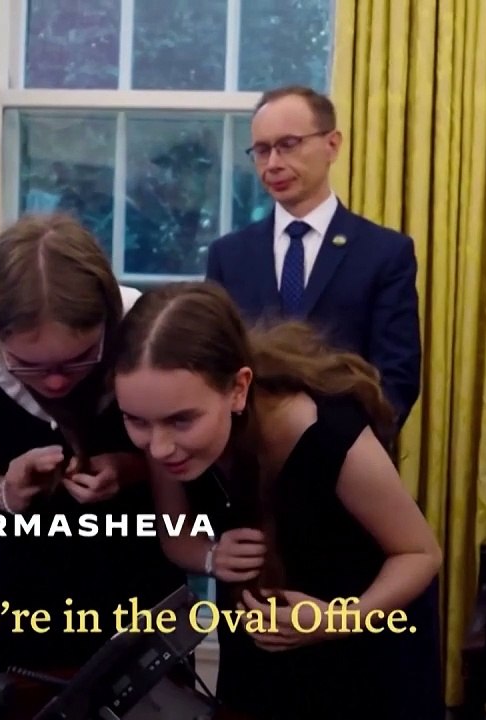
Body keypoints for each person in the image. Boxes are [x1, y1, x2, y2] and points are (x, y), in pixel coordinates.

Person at [111, 281, 444, 719]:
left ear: (237, 389)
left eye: (182, 421)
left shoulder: (328, 434)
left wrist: (338, 620)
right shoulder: (164, 430)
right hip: (257, 659)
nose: (158, 448)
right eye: (136, 421)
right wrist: (211, 556)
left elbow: (420, 553)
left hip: (364, 657)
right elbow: (177, 536)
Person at [0, 213, 185, 674]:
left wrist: (131, 468)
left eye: (77, 360)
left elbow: (199, 447)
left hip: (141, 549)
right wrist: (4, 494)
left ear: (108, 319)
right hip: (29, 566)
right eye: (28, 365)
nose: (54, 382)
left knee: (152, 689)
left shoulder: (148, 332)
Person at [205, 85, 422, 427]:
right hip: (248, 453)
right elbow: (214, 363)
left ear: (332, 145)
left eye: (288, 145)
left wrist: (348, 448)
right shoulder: (229, 255)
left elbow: (397, 377)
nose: (273, 164)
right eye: (262, 150)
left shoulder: (384, 253)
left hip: (349, 457)